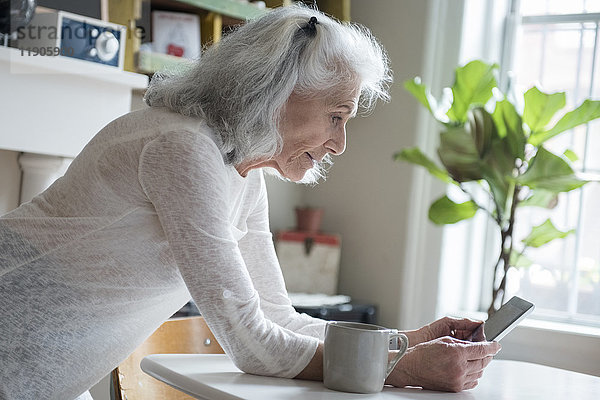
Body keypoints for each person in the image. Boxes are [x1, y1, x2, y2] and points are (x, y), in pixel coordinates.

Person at [0, 4, 499, 399]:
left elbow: (277, 318)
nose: (340, 143)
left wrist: (411, 340)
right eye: (336, 115)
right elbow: (252, 343)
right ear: (277, 92)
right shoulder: (183, 147)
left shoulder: (241, 169)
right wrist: (404, 368)